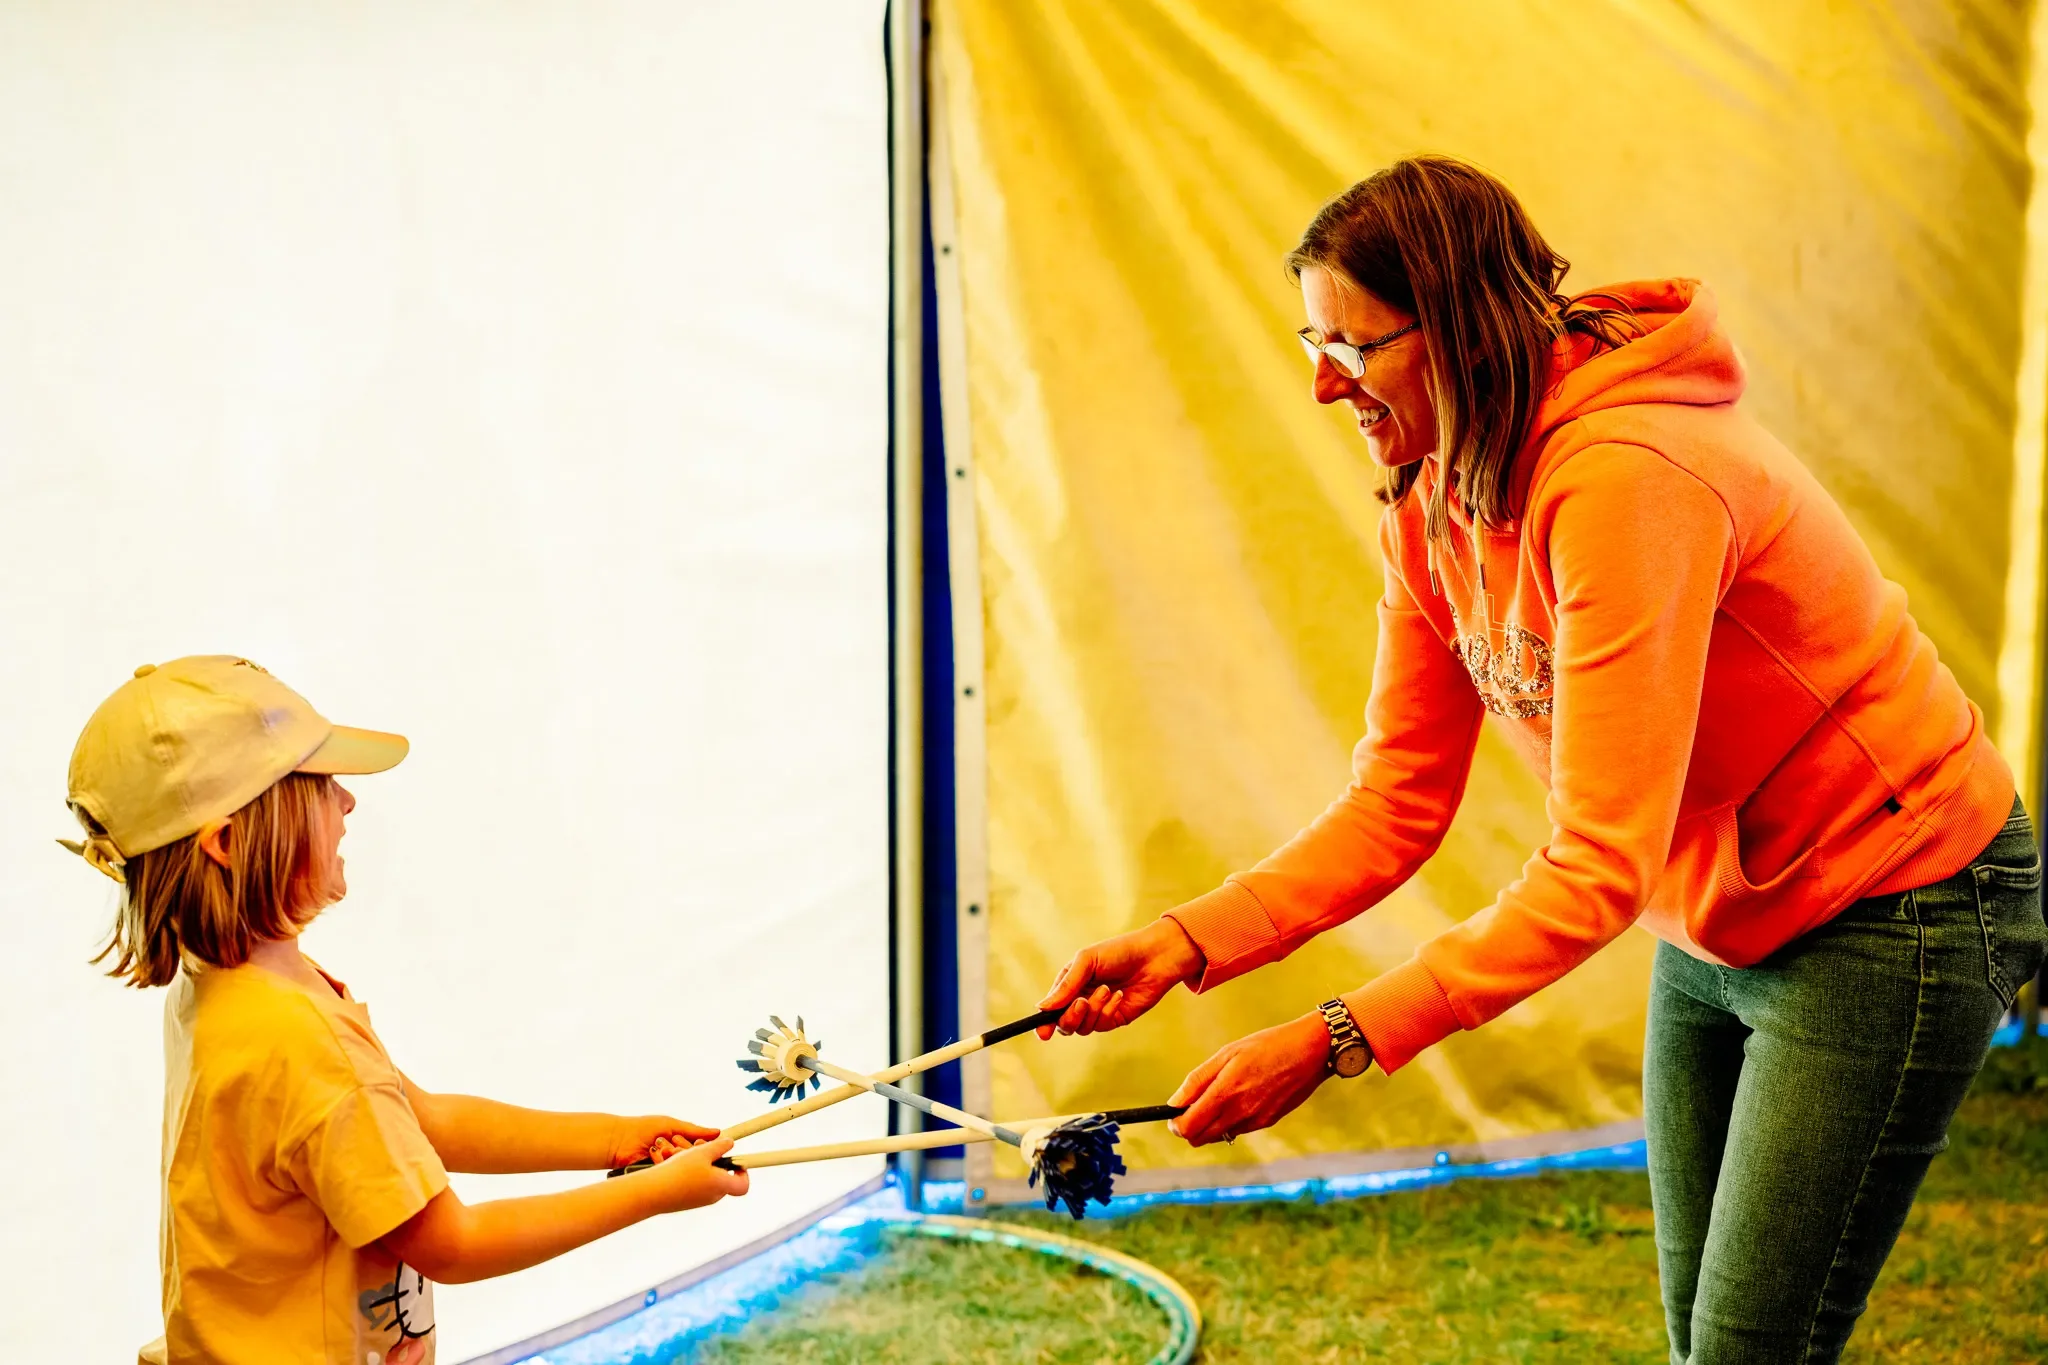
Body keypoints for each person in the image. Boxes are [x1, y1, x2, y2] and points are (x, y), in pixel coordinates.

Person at [1035, 157, 2045, 1363]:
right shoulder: (1428, 500)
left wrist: (1335, 1035)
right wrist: (1188, 941)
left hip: (1902, 903)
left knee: (1744, 1351)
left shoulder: (1627, 480)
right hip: (1716, 919)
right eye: (1310, 340)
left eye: (1355, 348)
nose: (1321, 383)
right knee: (1704, 1341)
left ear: (1461, 330)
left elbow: (1593, 869)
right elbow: (1395, 800)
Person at [62, 655, 747, 1365]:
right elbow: (453, 1241)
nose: (349, 803)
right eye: (319, 783)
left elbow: (424, 1121)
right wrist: (654, 1195)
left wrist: (616, 1139)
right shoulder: (301, 1038)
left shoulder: (227, 987)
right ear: (230, 843)